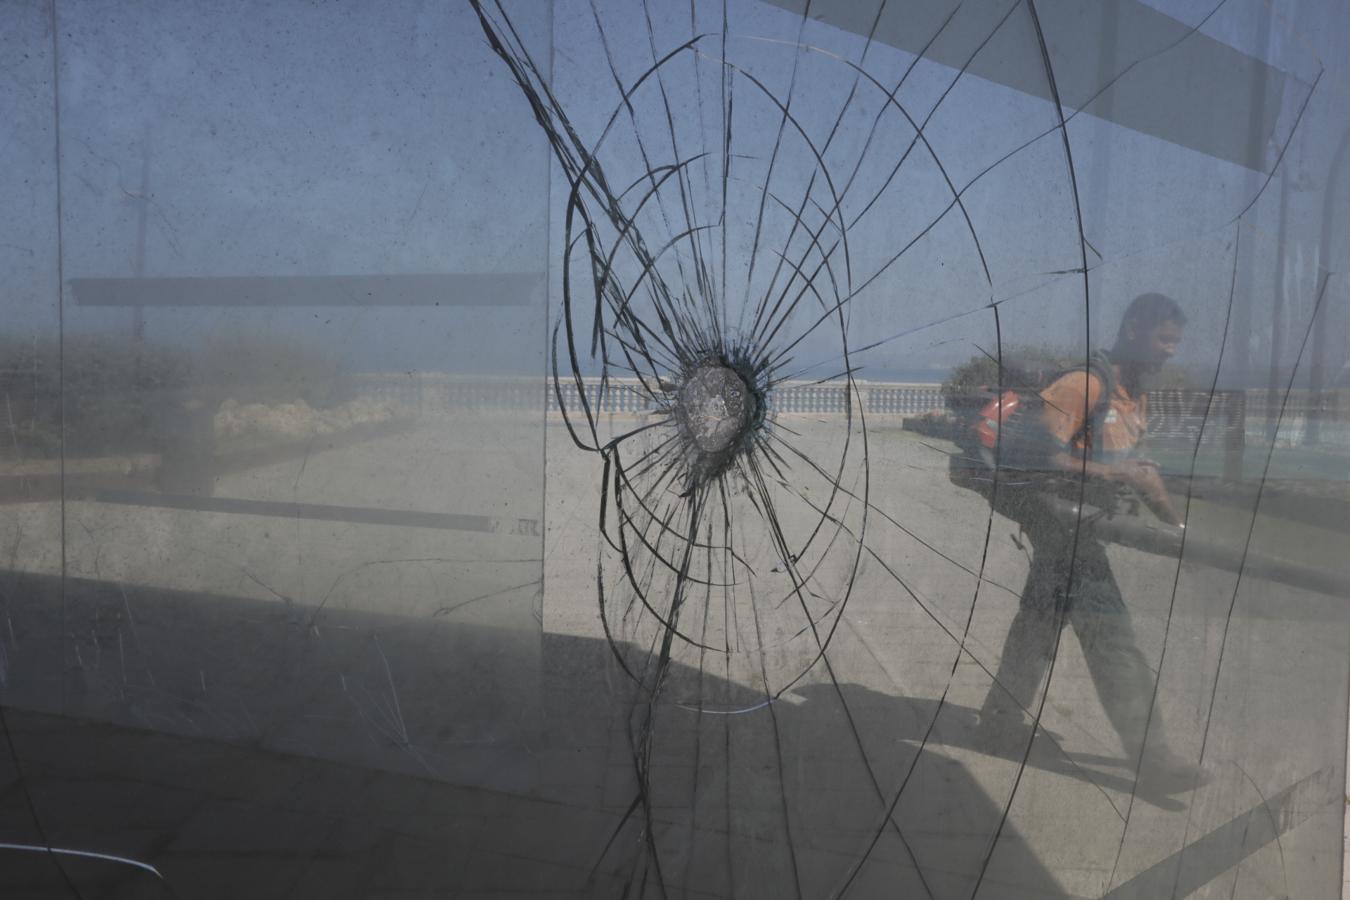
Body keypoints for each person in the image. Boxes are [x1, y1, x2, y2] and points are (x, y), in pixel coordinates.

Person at [977, 293, 1200, 784]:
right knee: (1112, 636)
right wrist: (1118, 475)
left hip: (1079, 525)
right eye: (1165, 340)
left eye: (1176, 343)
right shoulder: (1083, 385)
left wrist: (1176, 526)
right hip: (1060, 523)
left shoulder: (1133, 391)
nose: (1171, 352)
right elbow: (1036, 458)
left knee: (1039, 621)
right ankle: (1152, 756)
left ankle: (997, 721)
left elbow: (1131, 468)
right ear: (1134, 331)